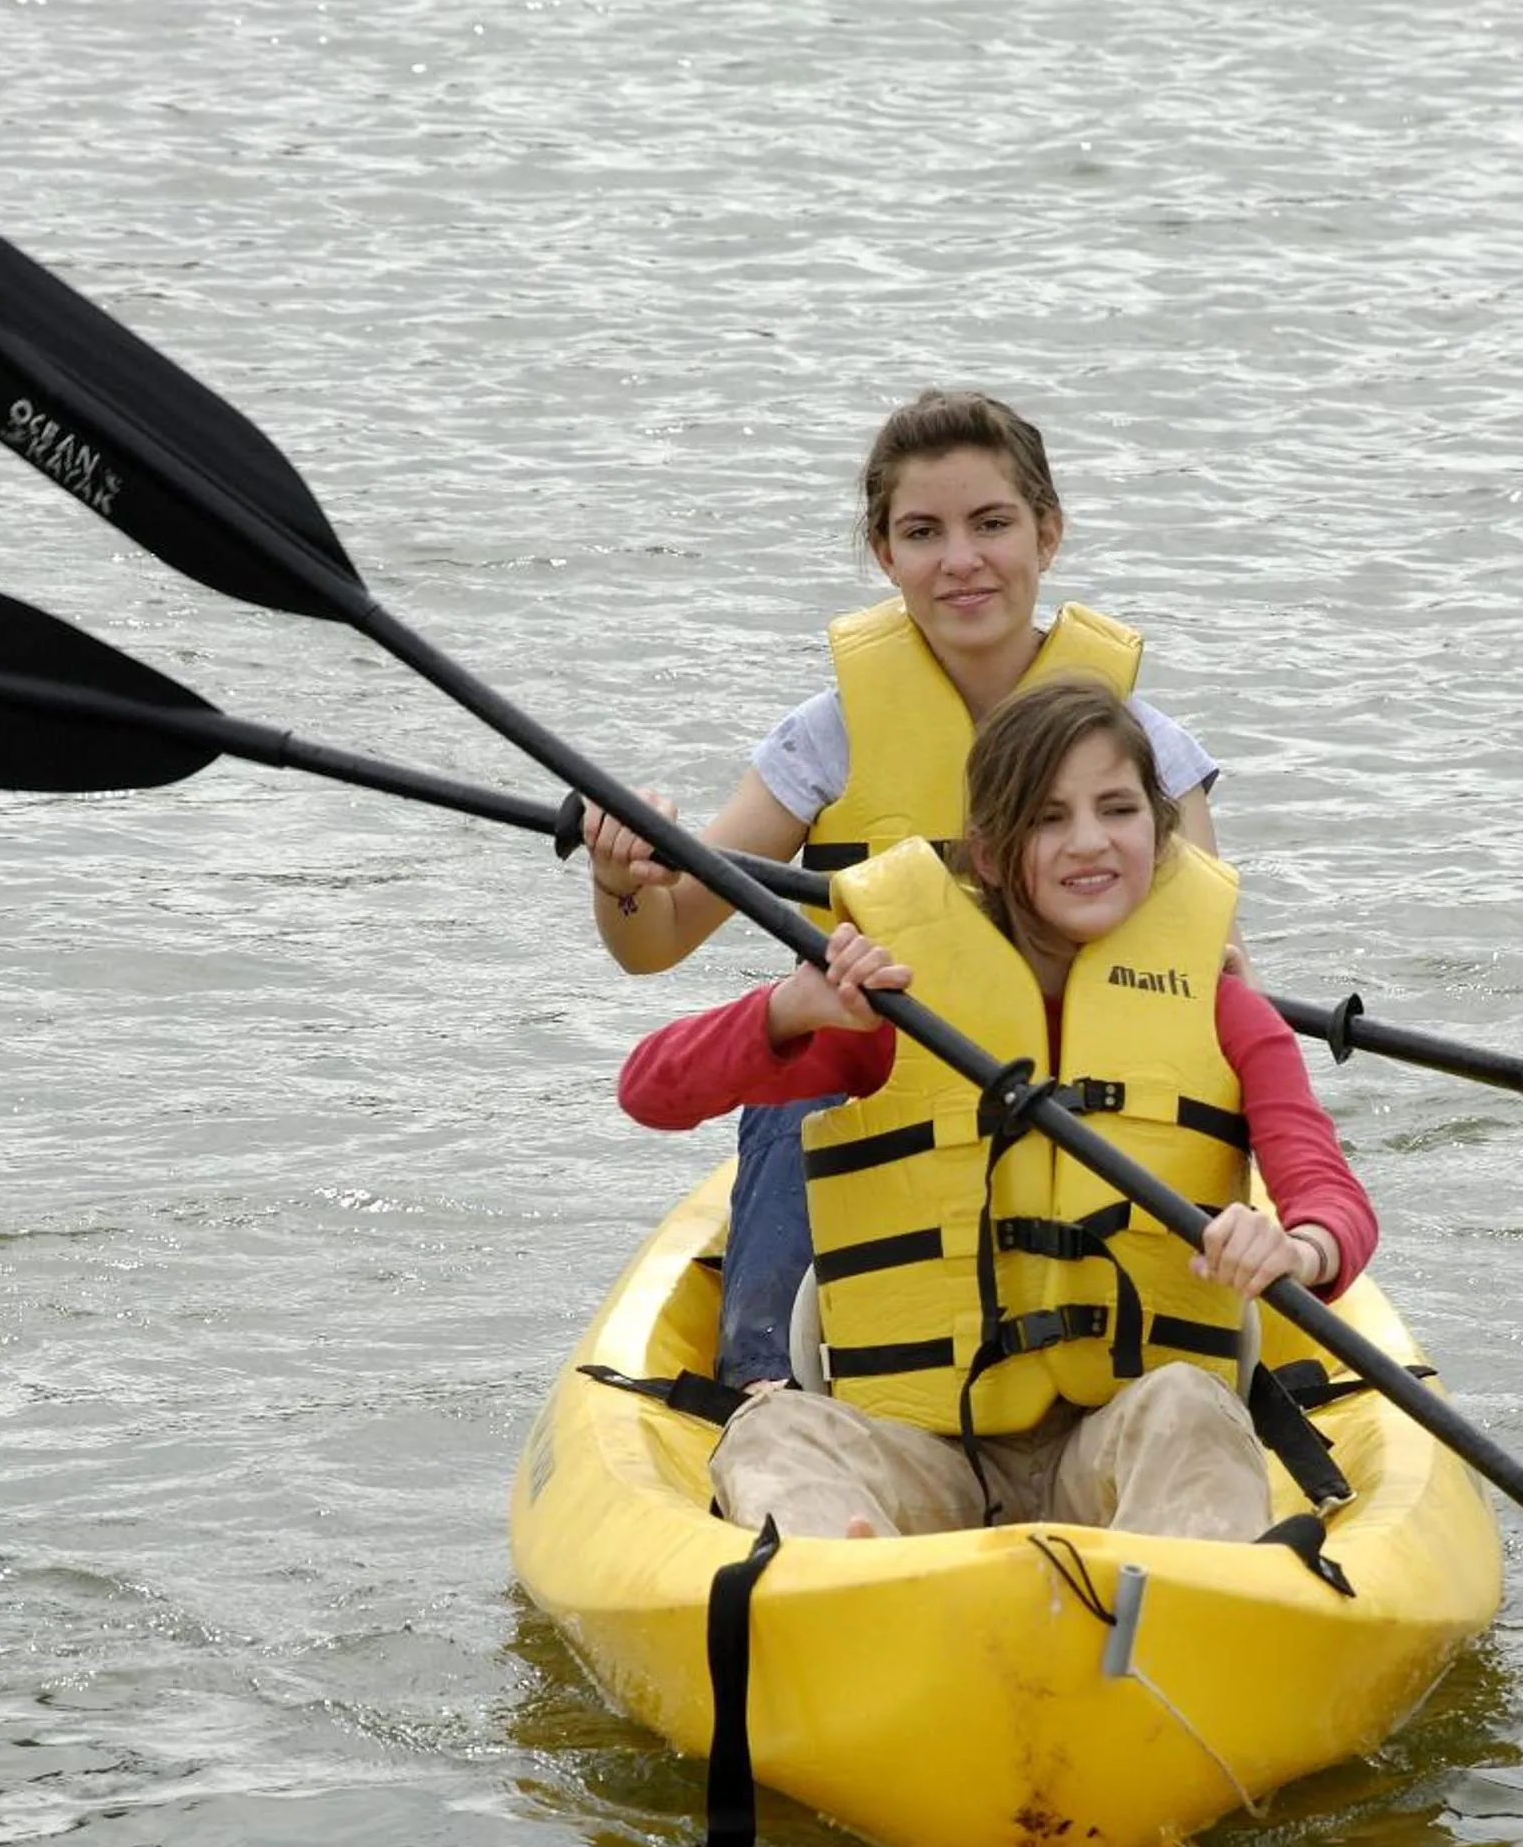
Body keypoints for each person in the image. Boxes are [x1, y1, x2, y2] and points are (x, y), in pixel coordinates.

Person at [616, 676, 1369, 1543]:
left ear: (1161, 836)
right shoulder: (903, 1003)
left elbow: (1326, 1192)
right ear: (987, 851)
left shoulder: (1224, 1008)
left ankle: (1181, 1602)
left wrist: (1300, 1246)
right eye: (1049, 818)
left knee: (1191, 1407)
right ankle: (847, 1585)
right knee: (773, 1431)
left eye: (1118, 809)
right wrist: (791, 1010)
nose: (1089, 842)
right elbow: (650, 1091)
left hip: (1114, 1447)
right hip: (925, 1446)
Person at [582, 390, 1227, 1389]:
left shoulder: (1140, 748)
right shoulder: (825, 739)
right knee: (804, 1105)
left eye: (991, 524)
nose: (960, 558)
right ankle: (769, 1391)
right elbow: (656, 942)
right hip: (871, 1071)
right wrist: (619, 878)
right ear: (885, 556)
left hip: (1076, 1080)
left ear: (1047, 535)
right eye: (922, 532)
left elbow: (1206, 974)